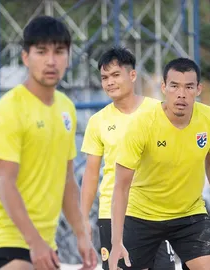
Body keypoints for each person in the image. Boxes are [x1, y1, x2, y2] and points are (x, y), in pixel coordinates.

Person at [0, 15, 97, 270]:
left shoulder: (66, 108)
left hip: (45, 246)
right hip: (5, 241)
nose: (51, 61)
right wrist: (34, 243)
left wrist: (82, 235)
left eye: (59, 52)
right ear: (25, 57)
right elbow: (4, 183)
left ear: (68, 56)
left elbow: (67, 180)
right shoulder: (9, 110)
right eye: (41, 52)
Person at [108, 57, 210, 270]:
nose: (181, 94)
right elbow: (121, 186)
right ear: (164, 87)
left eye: (189, 86)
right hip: (142, 215)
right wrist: (116, 242)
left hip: (189, 214)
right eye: (174, 86)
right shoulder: (142, 124)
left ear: (198, 89)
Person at [80, 46, 176, 270]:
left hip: (156, 214)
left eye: (115, 75)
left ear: (132, 75)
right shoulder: (98, 121)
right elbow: (91, 173)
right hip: (112, 216)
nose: (109, 82)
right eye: (104, 77)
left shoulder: (159, 111)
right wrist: (83, 217)